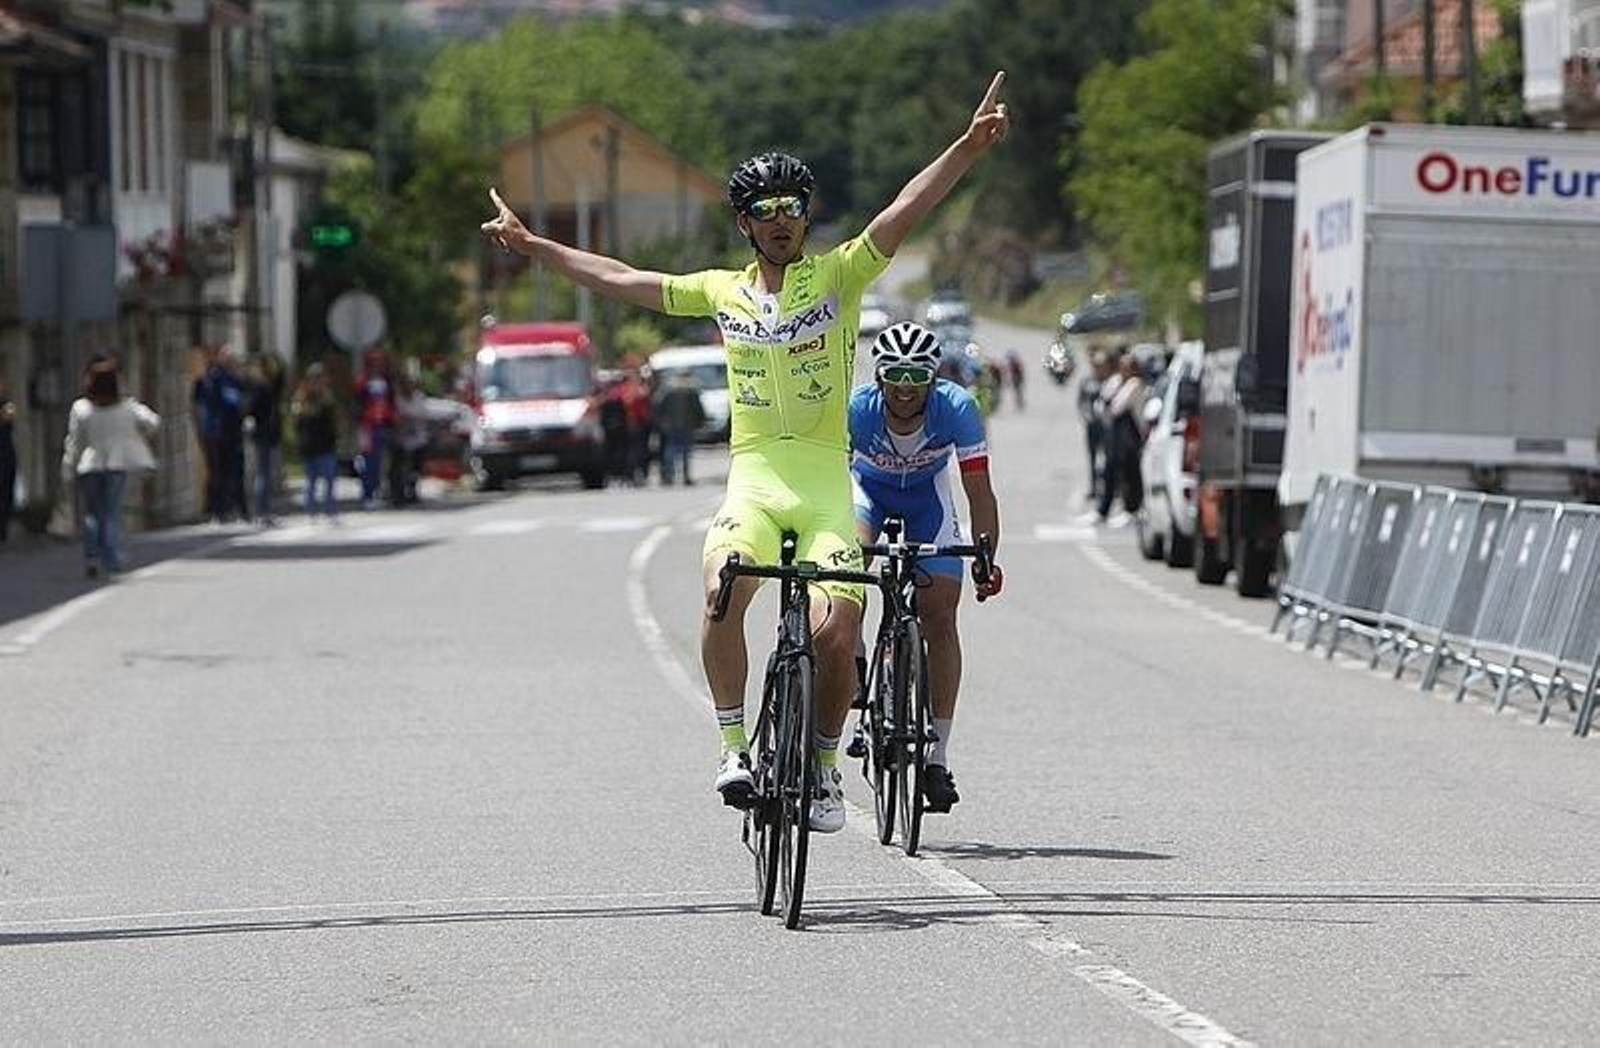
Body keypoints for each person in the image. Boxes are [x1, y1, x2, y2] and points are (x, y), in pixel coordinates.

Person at [482, 70, 1010, 833]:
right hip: (755, 484)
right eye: (764, 212)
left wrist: (965, 147)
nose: (780, 221)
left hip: (827, 485)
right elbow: (622, 278)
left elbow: (904, 210)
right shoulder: (721, 291)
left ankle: (825, 768)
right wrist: (535, 245)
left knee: (836, 631)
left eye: (793, 208)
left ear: (806, 217)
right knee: (722, 588)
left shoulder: (839, 276)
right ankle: (734, 746)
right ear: (745, 224)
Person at [848, 321, 1003, 812]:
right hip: (867, 494)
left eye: (918, 378)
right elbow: (829, 491)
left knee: (941, 612)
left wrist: (984, 559)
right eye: (896, 377)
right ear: (880, 378)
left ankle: (936, 758)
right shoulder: (857, 412)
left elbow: (978, 492)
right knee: (848, 569)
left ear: (934, 379)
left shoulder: (956, 408)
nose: (906, 390)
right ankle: (853, 659)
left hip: (928, 502)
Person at [61, 355, 160, 577]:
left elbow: (74, 441)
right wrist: (135, 435)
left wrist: (68, 466)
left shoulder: (81, 408)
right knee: (110, 512)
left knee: (91, 513)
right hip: (116, 464)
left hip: (89, 464)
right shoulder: (126, 407)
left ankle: (91, 556)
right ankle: (111, 556)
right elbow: (153, 421)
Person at [191, 343, 248, 522]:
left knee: (232, 470)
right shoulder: (212, 380)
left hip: (228, 431)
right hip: (218, 432)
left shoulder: (232, 379)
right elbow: (198, 406)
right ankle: (220, 509)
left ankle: (234, 508)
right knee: (221, 471)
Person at [293, 363, 341, 522]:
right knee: (311, 481)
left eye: (319, 377)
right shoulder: (301, 398)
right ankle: (311, 512)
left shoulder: (327, 397)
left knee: (329, 478)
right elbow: (298, 422)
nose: (317, 381)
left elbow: (333, 419)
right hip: (310, 445)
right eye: (314, 378)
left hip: (326, 444)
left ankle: (330, 510)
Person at [353, 348, 396, 509]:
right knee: (367, 462)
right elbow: (357, 404)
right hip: (367, 427)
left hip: (382, 425)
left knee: (380, 463)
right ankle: (367, 494)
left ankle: (377, 491)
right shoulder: (362, 381)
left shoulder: (386, 380)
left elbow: (390, 402)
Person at [246, 352, 286, 525]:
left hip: (268, 433)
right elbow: (253, 409)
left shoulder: (268, 386)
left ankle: (264, 511)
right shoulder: (261, 387)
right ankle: (262, 512)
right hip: (264, 433)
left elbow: (282, 375)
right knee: (263, 474)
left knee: (266, 473)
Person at [654, 370, 705, 485]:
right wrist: (701, 422)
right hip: (687, 425)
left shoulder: (669, 391)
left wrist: (662, 422)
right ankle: (685, 476)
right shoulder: (691, 391)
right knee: (684, 452)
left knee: (671, 450)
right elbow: (698, 409)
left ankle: (669, 475)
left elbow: (660, 408)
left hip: (672, 425)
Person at [0, 377, 16, 543]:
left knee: (6, 491)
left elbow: (9, 419)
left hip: (5, 452)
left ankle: (3, 528)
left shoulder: (7, 404)